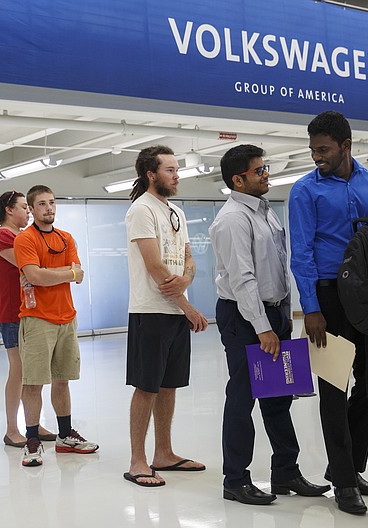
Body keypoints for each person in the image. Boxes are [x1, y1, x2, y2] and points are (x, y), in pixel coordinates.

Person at [209, 144, 329, 505]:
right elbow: (243, 279)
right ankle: (235, 479)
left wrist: (284, 319)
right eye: (259, 170)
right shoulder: (231, 220)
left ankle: (286, 474)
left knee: (278, 397)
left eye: (265, 168)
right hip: (245, 317)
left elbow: (279, 267)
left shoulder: (266, 213)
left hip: (273, 314)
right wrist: (262, 328)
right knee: (242, 397)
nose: (266, 174)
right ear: (238, 179)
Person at [289, 110, 368, 514]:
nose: (317, 157)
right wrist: (311, 308)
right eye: (313, 150)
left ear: (347, 146)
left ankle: (347, 465)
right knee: (334, 389)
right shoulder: (303, 191)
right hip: (329, 298)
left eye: (324, 149)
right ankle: (345, 482)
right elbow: (302, 254)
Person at [123, 146, 209, 487]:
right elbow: (155, 267)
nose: (177, 175)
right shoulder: (141, 210)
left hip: (174, 312)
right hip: (151, 312)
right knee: (146, 386)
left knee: (169, 385)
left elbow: (189, 259)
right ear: (151, 174)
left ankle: (164, 453)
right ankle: (137, 460)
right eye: (170, 169)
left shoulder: (176, 212)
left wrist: (187, 282)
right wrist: (189, 306)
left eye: (177, 169)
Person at [13, 184, 98, 466]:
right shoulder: (25, 240)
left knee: (62, 380)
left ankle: (64, 435)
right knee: (33, 381)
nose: (49, 208)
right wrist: (64, 272)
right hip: (37, 319)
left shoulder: (66, 238)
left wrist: (55, 273)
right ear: (32, 209)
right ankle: (32, 440)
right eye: (41, 204)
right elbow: (34, 276)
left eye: (51, 203)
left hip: (66, 318)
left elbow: (79, 273)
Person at [0, 191, 55, 448]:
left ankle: (33, 422)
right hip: (12, 311)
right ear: (8, 209)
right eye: (24, 207)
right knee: (19, 370)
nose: (28, 212)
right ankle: (12, 428)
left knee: (31, 370)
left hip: (29, 309)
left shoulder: (23, 236)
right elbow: (31, 265)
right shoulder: (2, 236)